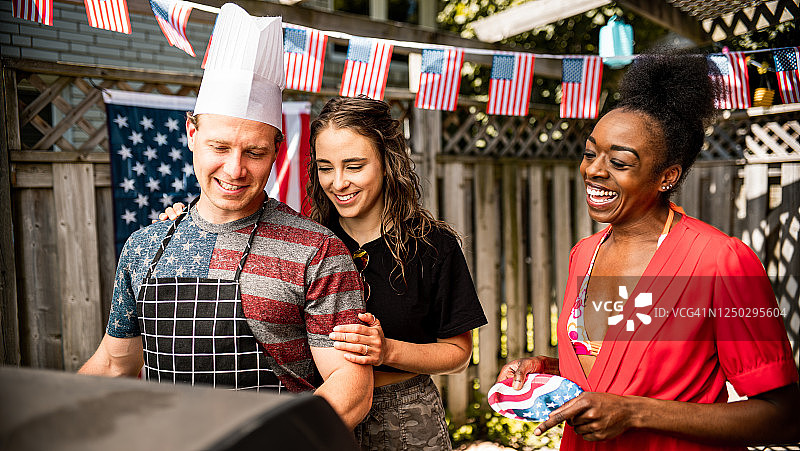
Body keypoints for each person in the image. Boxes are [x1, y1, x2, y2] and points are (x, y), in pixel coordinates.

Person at [79, 3, 372, 430]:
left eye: (254, 152)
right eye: (219, 147)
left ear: (277, 148)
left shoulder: (317, 250)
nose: (235, 170)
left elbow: (351, 385)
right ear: (191, 133)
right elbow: (113, 365)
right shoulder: (143, 249)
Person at [497, 51, 800, 449]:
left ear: (666, 176)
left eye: (619, 161)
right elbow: (611, 370)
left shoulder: (719, 261)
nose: (593, 170)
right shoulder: (584, 254)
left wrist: (634, 413)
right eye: (590, 153)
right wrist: (546, 369)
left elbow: (784, 418)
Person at [164, 96, 488, 449]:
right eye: (325, 167)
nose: (338, 182)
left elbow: (458, 353)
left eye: (354, 166)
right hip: (318, 405)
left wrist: (386, 351)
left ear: (387, 162)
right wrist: (189, 229)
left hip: (404, 415)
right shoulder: (307, 241)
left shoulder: (431, 246)